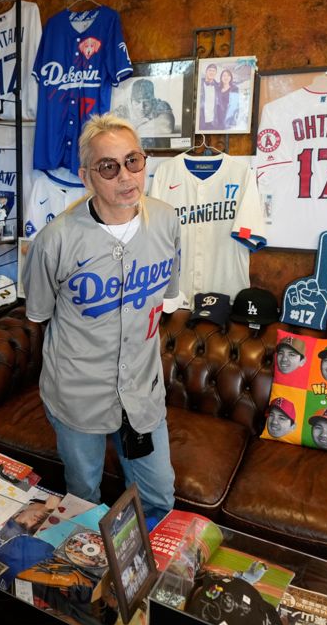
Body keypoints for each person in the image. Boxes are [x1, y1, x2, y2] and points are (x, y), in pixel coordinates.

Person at [21, 114, 182, 520]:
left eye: (134, 161)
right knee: (83, 498)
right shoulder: (54, 239)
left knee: (159, 499)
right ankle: (92, 577)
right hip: (78, 394)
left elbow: (165, 297)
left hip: (142, 394)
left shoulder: (166, 221)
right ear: (86, 176)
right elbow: (39, 314)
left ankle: (139, 578)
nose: (126, 177)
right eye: (108, 167)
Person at [198, 64, 219, 129]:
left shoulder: (218, 86)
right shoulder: (198, 84)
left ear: (215, 73)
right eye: (210, 70)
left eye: (214, 71)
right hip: (200, 121)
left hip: (213, 122)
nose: (211, 72)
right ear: (206, 72)